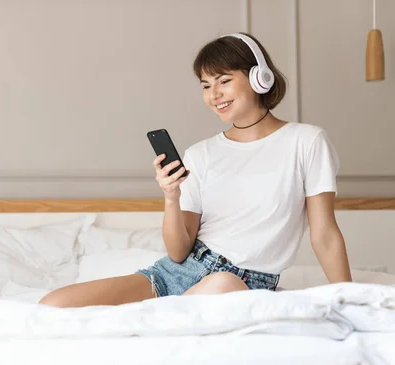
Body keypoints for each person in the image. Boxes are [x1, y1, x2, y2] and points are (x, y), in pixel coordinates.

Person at [39, 32, 352, 308]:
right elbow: (178, 252)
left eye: (224, 81)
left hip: (241, 282)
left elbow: (324, 234)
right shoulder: (201, 154)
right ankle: (163, 319)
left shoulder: (307, 142)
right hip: (179, 271)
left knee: (222, 285)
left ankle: (156, 325)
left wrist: (350, 298)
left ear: (260, 78)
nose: (213, 95)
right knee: (52, 305)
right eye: (206, 85)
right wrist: (171, 196)